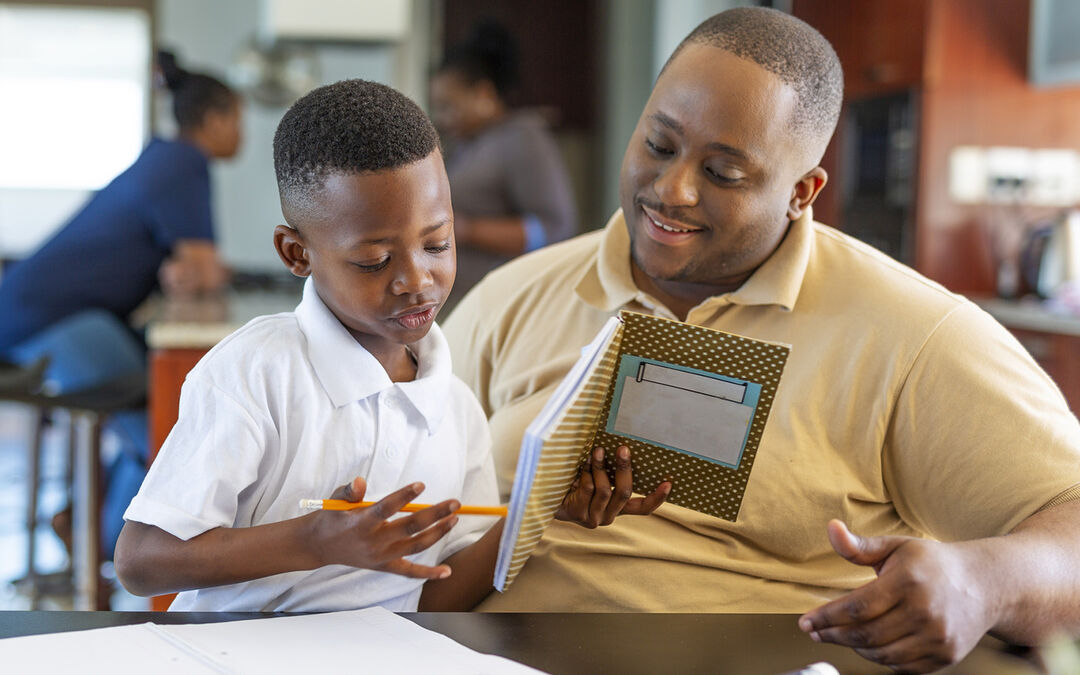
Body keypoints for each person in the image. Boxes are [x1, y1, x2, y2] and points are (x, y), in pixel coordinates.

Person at [444, 7, 1080, 672]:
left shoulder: (913, 335)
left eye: (722, 173)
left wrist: (980, 580)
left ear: (801, 192)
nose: (671, 190)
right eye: (658, 147)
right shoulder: (509, 300)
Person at [112, 79, 666, 613]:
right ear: (296, 253)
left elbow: (434, 597)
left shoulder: (455, 409)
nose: (416, 280)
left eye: (437, 244)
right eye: (375, 261)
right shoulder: (257, 373)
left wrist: (539, 513)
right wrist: (314, 542)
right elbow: (140, 561)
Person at [0, 50, 239, 559]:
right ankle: (107, 549)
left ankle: (84, 524)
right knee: (167, 422)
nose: (242, 135)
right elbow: (202, 268)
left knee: (162, 408)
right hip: (50, 316)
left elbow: (190, 269)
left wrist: (192, 269)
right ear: (213, 119)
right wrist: (199, 269)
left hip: (33, 308)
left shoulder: (164, 158)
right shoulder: (184, 162)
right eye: (238, 120)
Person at [429, 19, 577, 309]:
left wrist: (466, 229)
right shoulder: (467, 142)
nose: (443, 118)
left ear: (484, 93)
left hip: (501, 304)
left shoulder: (524, 138)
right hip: (462, 300)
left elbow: (554, 228)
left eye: (449, 105)